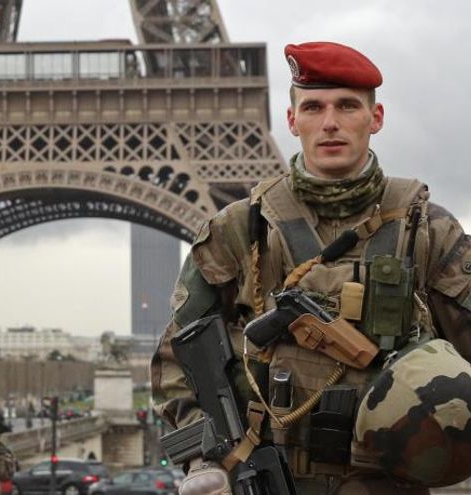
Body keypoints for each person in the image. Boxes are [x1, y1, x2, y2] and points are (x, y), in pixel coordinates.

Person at [151, 41, 471, 495]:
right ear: (291, 120)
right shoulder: (240, 228)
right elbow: (178, 355)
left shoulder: (428, 229)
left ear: (375, 119)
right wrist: (202, 456)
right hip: (268, 475)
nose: (331, 123)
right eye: (314, 107)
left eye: (347, 106)